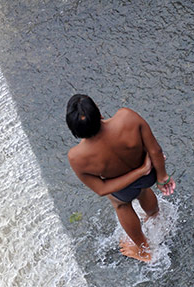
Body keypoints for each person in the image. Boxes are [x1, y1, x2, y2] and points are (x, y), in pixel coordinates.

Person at [66, 94, 176, 262]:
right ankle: (154, 215)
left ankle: (144, 250)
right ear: (98, 113)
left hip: (124, 189)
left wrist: (139, 172)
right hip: (150, 176)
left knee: (121, 204)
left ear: (74, 129)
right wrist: (161, 176)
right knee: (143, 190)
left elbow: (102, 189)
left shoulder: (77, 156)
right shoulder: (127, 117)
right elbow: (155, 151)